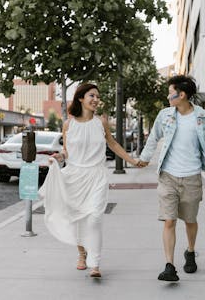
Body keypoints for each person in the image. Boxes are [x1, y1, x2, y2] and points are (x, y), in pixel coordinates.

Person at [39, 83, 139, 278]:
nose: (95, 99)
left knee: (94, 217)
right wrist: (57, 158)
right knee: (79, 219)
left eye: (97, 96)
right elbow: (67, 152)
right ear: (81, 98)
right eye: (92, 95)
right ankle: (82, 254)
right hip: (75, 176)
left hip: (96, 176)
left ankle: (95, 263)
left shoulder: (101, 121)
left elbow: (113, 144)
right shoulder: (68, 124)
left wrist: (133, 160)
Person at [136, 75, 205, 282]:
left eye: (170, 91)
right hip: (168, 176)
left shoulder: (202, 116)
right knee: (169, 221)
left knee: (190, 220)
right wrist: (144, 159)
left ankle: (190, 251)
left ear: (181, 94)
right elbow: (153, 138)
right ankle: (169, 266)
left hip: (192, 176)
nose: (168, 95)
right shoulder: (165, 115)